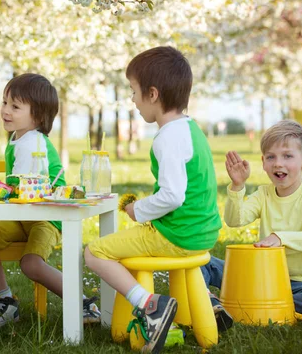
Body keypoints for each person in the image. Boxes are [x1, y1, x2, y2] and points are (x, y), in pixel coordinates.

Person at [84, 46, 222, 353]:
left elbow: (173, 195)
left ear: (153, 94)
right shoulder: (190, 129)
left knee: (94, 252)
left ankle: (150, 306)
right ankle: (183, 311)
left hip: (178, 234)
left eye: (134, 92)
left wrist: (139, 210)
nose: (132, 101)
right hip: (202, 232)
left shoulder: (167, 138)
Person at [0, 73, 100, 328]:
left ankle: (84, 303)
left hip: (47, 217)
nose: (5, 110)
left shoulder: (34, 144)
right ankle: (4, 300)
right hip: (22, 216)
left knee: (31, 264)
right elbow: (16, 193)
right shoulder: (17, 138)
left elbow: (17, 189)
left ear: (38, 116)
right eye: (5, 102)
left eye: (15, 106)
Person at [202, 120, 302, 318]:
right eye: (271, 157)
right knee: (203, 261)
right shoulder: (263, 194)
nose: (278, 163)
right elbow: (235, 220)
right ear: (263, 163)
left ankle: (248, 302)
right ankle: (210, 301)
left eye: (287, 156)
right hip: (263, 278)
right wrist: (237, 186)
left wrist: (279, 238)